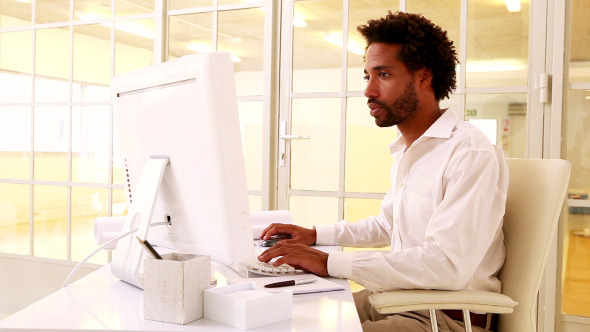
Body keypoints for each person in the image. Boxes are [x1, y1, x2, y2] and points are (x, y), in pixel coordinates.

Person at [258, 11, 509, 332]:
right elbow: (388, 224)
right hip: (398, 298)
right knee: (283, 317)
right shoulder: (410, 148)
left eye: (384, 75)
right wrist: (315, 235)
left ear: (423, 77)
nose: (369, 90)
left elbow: (447, 266)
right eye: (367, 76)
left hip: (443, 317)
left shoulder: (469, 152)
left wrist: (328, 262)